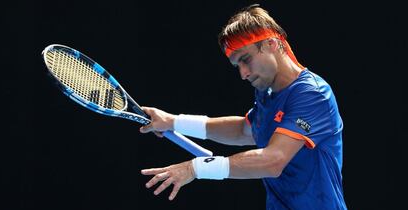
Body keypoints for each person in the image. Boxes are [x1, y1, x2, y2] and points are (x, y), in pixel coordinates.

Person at [139, 4, 347, 210]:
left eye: (246, 60)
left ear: (271, 44)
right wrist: (173, 121)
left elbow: (273, 161)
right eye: (238, 65)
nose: (243, 73)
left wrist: (195, 168)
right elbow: (244, 131)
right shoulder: (267, 92)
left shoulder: (312, 94)